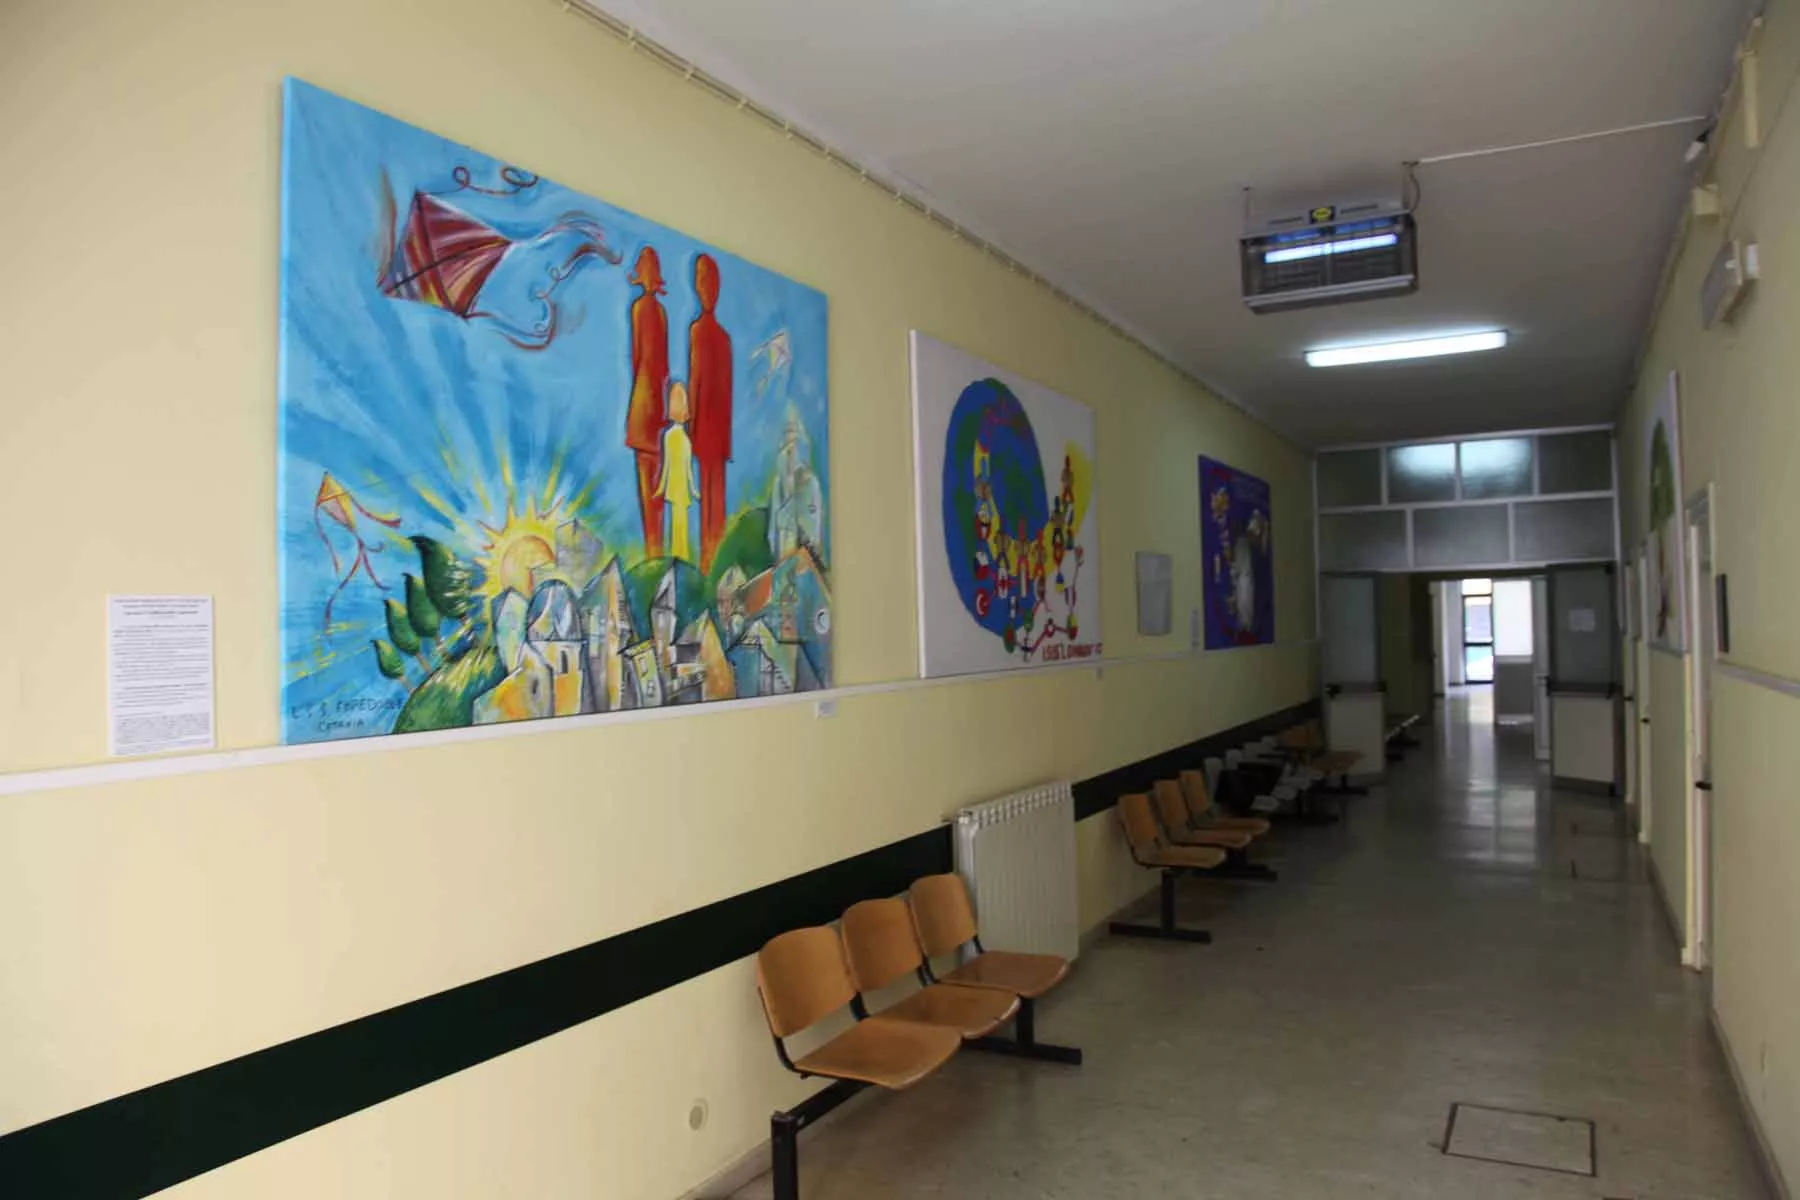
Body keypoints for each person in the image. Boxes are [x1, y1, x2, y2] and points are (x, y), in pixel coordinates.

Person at [687, 254, 733, 573]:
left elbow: (701, 383)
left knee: (714, 498)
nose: (706, 289)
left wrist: (692, 427)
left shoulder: (708, 334)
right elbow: (696, 381)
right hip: (708, 429)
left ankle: (712, 560)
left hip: (710, 429)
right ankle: (709, 560)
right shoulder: (705, 333)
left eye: (709, 283)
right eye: (702, 282)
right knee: (710, 497)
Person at [626, 246, 669, 558]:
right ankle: (655, 547)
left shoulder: (641, 309)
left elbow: (638, 359)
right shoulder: (658, 312)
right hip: (655, 409)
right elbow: (661, 365)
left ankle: (653, 549)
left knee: (650, 484)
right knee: (656, 486)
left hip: (644, 409)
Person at [655, 381, 700, 563]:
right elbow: (668, 465)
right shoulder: (676, 438)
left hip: (678, 490)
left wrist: (693, 489)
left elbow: (685, 468)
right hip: (677, 489)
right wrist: (661, 487)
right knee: (678, 526)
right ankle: (678, 559)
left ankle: (680, 559)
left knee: (680, 526)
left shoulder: (678, 437)